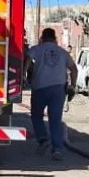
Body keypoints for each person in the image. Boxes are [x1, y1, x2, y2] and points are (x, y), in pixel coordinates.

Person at [24, 28, 77, 160]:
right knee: (55, 120)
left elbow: (28, 60)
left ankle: (43, 139)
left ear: (42, 37)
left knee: (36, 115)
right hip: (58, 89)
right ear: (55, 39)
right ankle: (57, 149)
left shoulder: (36, 49)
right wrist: (72, 86)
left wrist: (24, 76)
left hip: (39, 88)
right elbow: (74, 69)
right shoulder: (63, 52)